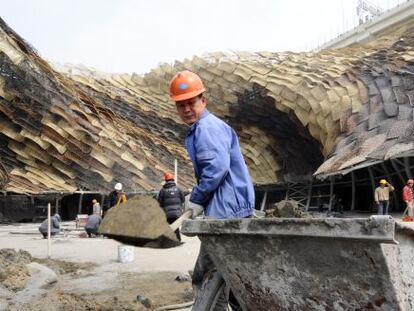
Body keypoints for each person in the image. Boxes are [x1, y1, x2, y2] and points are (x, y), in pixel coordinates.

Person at [170, 70, 255, 310]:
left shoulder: (206, 128)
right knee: (235, 276)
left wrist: (196, 198)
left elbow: (216, 169)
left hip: (226, 211)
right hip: (230, 208)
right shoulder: (206, 127)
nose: (186, 109)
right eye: (181, 105)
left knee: (209, 275)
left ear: (203, 100)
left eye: (191, 103)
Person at [157, 172, 185, 241]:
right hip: (177, 212)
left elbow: (159, 202)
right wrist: (178, 206)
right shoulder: (178, 189)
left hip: (167, 213)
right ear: (173, 180)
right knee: (175, 225)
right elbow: (183, 199)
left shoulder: (162, 190)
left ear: (165, 181)